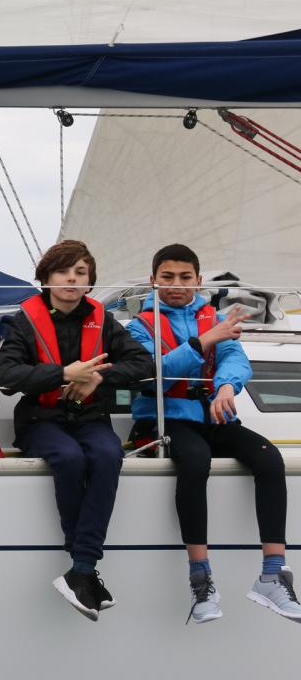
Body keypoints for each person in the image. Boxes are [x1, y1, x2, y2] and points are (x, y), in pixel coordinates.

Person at [128, 243, 298, 624]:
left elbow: (234, 357)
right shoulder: (139, 327)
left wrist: (225, 387)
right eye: (167, 277)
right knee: (195, 461)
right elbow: (152, 372)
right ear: (153, 280)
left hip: (211, 415)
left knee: (270, 459)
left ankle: (273, 575)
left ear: (198, 280)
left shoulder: (214, 318)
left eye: (185, 277)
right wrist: (205, 340)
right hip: (166, 419)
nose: (176, 284)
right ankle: (200, 579)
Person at [0, 240, 153, 620]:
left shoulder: (104, 320)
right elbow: (5, 374)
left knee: (108, 455)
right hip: (40, 419)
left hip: (89, 417)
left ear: (90, 281)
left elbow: (143, 363)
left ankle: (81, 570)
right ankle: (84, 570)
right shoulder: (24, 321)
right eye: (63, 271)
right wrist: (63, 373)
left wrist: (98, 377)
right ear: (46, 277)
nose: (71, 278)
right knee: (68, 458)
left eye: (80, 272)